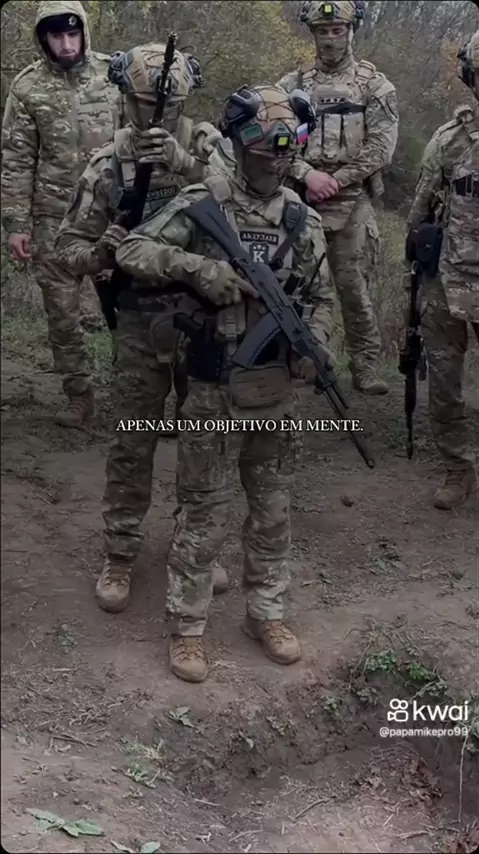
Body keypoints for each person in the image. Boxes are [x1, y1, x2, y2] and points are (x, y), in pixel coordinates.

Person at [115, 84, 335, 683]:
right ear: (239, 145)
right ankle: (187, 627)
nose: (277, 163)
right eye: (265, 152)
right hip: (213, 382)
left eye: (286, 154)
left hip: (274, 388)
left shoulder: (301, 218)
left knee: (272, 508)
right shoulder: (201, 201)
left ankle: (267, 613)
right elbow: (133, 250)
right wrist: (199, 269)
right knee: (204, 509)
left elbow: (321, 298)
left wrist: (315, 345)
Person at [55, 42, 231, 612]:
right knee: (133, 439)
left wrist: (187, 165)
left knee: (204, 440)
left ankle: (196, 543)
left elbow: (247, 201)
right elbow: (68, 247)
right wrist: (102, 253)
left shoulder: (205, 146)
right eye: (146, 103)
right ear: (125, 100)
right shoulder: (107, 163)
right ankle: (121, 551)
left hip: (202, 315)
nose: (159, 115)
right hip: (139, 318)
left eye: (171, 105)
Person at [1, 0, 124, 428]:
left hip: (111, 217)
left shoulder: (115, 75)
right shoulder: (28, 87)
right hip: (53, 219)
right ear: (43, 38)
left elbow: (142, 139)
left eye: (73, 34)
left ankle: (135, 394)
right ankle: (79, 396)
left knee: (126, 310)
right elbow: (16, 160)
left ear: (84, 32)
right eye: (57, 36)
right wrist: (16, 224)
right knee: (62, 314)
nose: (67, 44)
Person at [276, 0, 398, 395]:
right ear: (312, 33)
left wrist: (337, 179)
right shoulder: (291, 86)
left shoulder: (374, 86)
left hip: (352, 200)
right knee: (293, 284)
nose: (330, 39)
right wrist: (306, 174)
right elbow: (272, 140)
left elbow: (382, 147)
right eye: (323, 31)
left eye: (337, 30)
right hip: (301, 198)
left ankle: (365, 367)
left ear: (351, 30)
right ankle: (298, 361)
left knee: (353, 286)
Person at [406, 31, 479, 510]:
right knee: (445, 382)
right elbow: (420, 213)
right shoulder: (451, 139)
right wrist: (413, 275)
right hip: (447, 281)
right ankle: (458, 468)